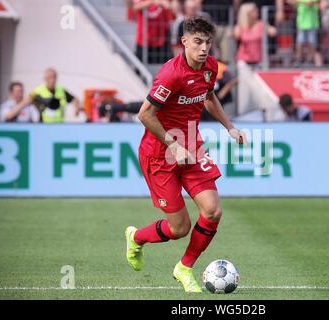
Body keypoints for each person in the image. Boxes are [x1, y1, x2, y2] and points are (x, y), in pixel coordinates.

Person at [125, 17, 247, 293]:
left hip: (191, 146)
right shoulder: (171, 75)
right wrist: (172, 144)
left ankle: (184, 268)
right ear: (184, 42)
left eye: (208, 43)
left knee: (213, 210)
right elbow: (145, 114)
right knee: (179, 228)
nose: (204, 48)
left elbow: (209, 98)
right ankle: (136, 238)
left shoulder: (210, 67)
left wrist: (230, 127)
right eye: (198, 42)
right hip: (160, 154)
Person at [8, 68, 81, 123]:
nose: (52, 80)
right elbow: (25, 102)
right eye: (50, 77)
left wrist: (76, 109)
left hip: (59, 125)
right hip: (44, 126)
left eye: (54, 77)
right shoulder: (38, 91)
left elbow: (75, 99)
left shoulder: (61, 90)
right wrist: (10, 114)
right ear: (45, 78)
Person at [132, 0, 174, 64]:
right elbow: (135, 7)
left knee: (164, 68)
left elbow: (171, 9)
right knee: (139, 69)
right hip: (143, 41)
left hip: (160, 41)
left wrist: (168, 5)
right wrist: (153, 2)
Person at [291, 0, 321, 66]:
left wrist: (299, 2)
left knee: (312, 42)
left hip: (312, 23)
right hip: (301, 23)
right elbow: (291, 1)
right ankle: (298, 60)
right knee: (299, 42)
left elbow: (310, 3)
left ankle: (310, 60)